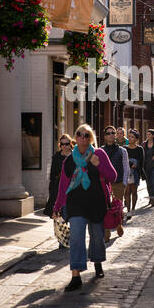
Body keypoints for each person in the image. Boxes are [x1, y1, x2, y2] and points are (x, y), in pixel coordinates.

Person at [53, 124, 117, 292]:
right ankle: (76, 275)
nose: (83, 138)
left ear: (91, 138)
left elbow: (113, 176)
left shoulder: (99, 154)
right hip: (76, 205)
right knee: (76, 238)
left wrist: (99, 165)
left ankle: (97, 261)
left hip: (96, 203)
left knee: (97, 236)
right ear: (76, 138)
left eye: (86, 135)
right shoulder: (69, 160)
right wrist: (57, 206)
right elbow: (62, 187)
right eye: (79, 135)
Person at [44, 134, 74, 248]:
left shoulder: (74, 156)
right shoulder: (56, 157)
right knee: (60, 217)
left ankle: (71, 239)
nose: (65, 146)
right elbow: (52, 176)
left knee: (71, 216)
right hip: (59, 190)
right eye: (62, 144)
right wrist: (52, 193)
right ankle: (62, 241)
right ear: (60, 145)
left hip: (72, 191)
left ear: (70, 144)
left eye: (67, 144)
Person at [101, 125, 130, 242]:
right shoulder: (101, 150)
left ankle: (118, 224)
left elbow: (126, 167)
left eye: (113, 133)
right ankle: (106, 234)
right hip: (105, 184)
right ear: (105, 136)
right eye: (108, 133)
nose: (111, 135)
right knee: (105, 209)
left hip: (118, 184)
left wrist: (124, 182)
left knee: (117, 208)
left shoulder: (122, 151)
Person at [124, 129, 145, 219]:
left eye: (132, 137)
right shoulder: (125, 148)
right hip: (127, 172)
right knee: (127, 192)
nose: (130, 138)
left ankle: (133, 208)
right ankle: (128, 211)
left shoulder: (139, 149)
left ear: (136, 139)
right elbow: (123, 160)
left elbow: (142, 161)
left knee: (134, 191)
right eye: (129, 136)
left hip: (135, 173)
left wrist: (136, 164)